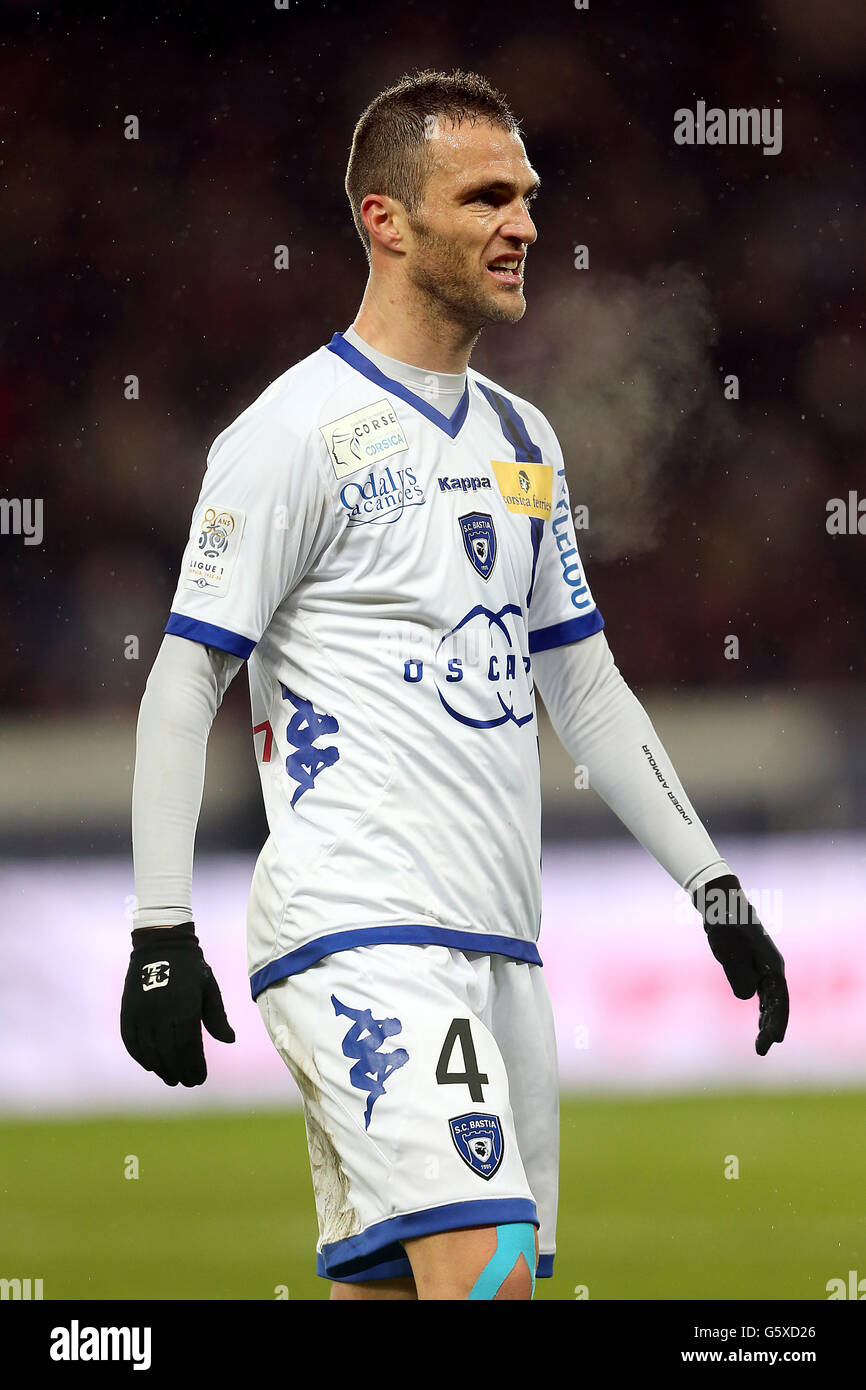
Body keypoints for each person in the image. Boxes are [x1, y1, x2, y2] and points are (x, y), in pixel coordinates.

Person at [121, 68, 788, 1302]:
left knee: (403, 1289)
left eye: (527, 195)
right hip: (361, 923)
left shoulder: (524, 439)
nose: (523, 222)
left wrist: (711, 880)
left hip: (498, 943)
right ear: (385, 220)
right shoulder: (290, 433)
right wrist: (162, 931)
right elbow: (182, 681)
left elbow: (581, 687)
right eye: (484, 195)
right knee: (486, 1278)